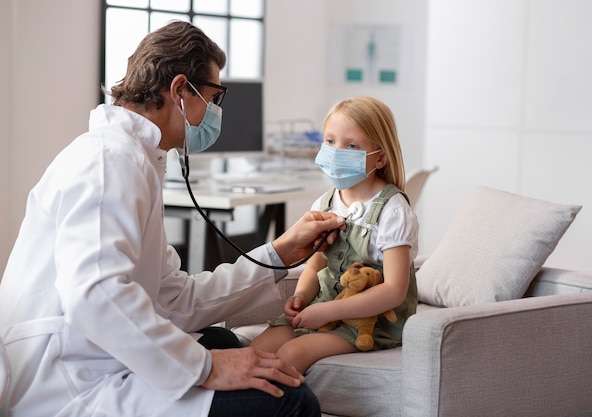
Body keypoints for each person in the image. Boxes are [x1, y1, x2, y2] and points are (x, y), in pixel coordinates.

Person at [0, 21, 345, 417]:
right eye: (214, 97)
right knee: (289, 402)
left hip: (96, 357)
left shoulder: (136, 160)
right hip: (69, 379)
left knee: (221, 342)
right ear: (181, 89)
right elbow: (95, 294)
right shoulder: (108, 160)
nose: (216, 112)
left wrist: (279, 253)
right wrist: (205, 368)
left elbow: (175, 299)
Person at [251, 96, 419, 373]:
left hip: (371, 321)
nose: (337, 151)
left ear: (380, 158)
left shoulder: (393, 211)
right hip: (323, 307)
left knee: (291, 353)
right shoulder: (325, 203)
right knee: (255, 351)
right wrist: (302, 298)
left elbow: (394, 291)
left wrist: (327, 312)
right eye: (330, 141)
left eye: (351, 145)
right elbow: (316, 264)